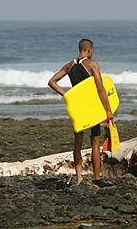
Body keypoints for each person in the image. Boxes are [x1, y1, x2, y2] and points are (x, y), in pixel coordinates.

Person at [48, 38, 113, 187]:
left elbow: (51, 82)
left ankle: (79, 178)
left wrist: (66, 95)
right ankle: (97, 179)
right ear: (89, 50)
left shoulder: (69, 66)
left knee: (77, 142)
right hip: (92, 107)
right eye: (92, 51)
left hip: (78, 108)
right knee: (95, 141)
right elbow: (100, 88)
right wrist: (108, 110)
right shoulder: (92, 64)